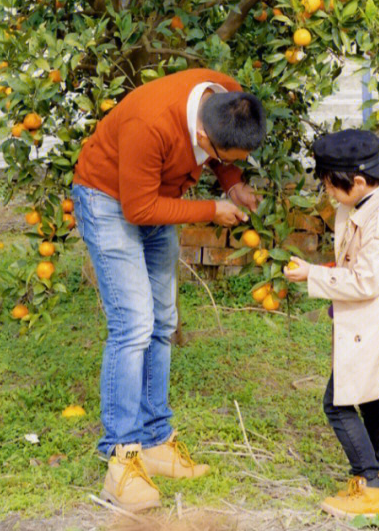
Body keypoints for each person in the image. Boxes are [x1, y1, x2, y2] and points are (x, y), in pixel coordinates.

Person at [72, 67, 266, 510]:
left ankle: (156, 440)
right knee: (133, 325)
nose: (224, 159)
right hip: (109, 199)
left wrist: (232, 183)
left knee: (163, 321)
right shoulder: (150, 124)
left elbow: (221, 156)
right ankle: (121, 459)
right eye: (220, 153)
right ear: (201, 130)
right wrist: (211, 209)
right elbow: (138, 208)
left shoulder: (228, 98)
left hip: (160, 193)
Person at [286, 129, 379, 520]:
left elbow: (366, 280)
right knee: (371, 395)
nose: (329, 194)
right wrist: (329, 269)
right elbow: (358, 266)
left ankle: (370, 484)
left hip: (377, 322)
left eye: (332, 187)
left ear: (358, 182)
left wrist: (313, 274)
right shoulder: (366, 200)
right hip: (370, 319)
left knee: (338, 403)